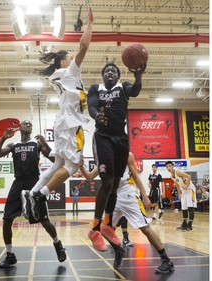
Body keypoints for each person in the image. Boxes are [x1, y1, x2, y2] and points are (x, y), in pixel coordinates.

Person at [25, 6, 94, 222]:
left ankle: (31, 192)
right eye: (70, 58)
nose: (73, 60)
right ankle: (40, 196)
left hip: (62, 122)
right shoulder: (69, 72)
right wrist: (90, 23)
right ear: (64, 62)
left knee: (57, 165)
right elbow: (83, 46)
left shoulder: (58, 76)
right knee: (72, 166)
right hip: (71, 124)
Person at [86, 59, 146, 251]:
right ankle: (95, 229)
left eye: (113, 71)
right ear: (103, 76)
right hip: (103, 136)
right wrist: (96, 116)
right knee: (107, 181)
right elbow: (92, 106)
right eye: (106, 71)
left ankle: (108, 223)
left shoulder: (123, 87)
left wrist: (138, 76)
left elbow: (135, 91)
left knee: (115, 182)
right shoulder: (96, 88)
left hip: (121, 138)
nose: (109, 73)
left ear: (118, 76)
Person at [79, 152, 174, 273]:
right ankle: (119, 250)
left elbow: (136, 176)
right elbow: (90, 177)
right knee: (103, 228)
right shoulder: (104, 155)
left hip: (127, 193)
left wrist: (144, 196)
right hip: (112, 196)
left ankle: (166, 260)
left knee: (145, 228)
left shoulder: (127, 154)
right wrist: (81, 166)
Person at [0, 120, 66, 268]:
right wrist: (3, 138)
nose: (28, 126)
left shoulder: (36, 144)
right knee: (7, 220)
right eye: (25, 124)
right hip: (18, 183)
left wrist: (45, 144)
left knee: (44, 220)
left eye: (30, 125)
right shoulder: (14, 145)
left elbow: (56, 160)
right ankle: (10, 255)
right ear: (19, 128)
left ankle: (58, 244)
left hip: (34, 183)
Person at [165, 161, 197, 231]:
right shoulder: (171, 176)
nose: (168, 168)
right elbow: (177, 184)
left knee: (190, 207)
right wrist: (179, 193)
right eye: (167, 167)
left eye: (170, 166)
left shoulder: (177, 172)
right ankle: (184, 224)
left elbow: (189, 177)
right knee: (184, 208)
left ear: (173, 166)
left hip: (190, 188)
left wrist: (186, 187)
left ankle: (190, 225)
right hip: (184, 191)